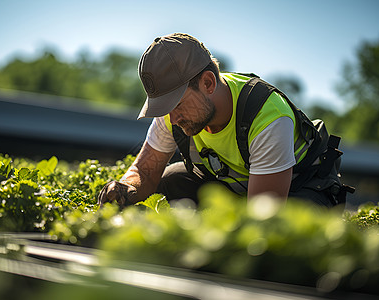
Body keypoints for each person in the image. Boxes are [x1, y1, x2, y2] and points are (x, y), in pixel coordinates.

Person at [98, 33, 349, 208]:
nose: (172, 118)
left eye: (176, 105)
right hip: (238, 189)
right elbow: (144, 171)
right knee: (169, 180)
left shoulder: (268, 116)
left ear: (207, 83)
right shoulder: (173, 112)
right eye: (164, 108)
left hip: (297, 190)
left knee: (280, 240)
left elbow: (263, 213)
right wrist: (124, 189)